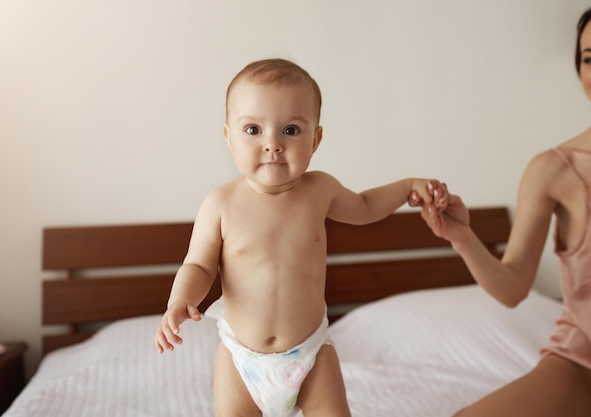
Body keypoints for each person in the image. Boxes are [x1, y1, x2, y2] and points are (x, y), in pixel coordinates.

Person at [154, 58, 448, 417]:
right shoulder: (221, 203)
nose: (272, 144)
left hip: (311, 356)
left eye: (290, 130)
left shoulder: (319, 190)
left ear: (316, 139)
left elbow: (366, 206)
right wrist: (180, 300)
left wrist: (406, 188)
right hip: (241, 359)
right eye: (253, 130)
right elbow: (199, 265)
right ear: (229, 136)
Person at [418, 8, 591, 416]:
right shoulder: (552, 170)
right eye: (590, 58)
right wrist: (463, 239)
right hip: (581, 364)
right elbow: (513, 288)